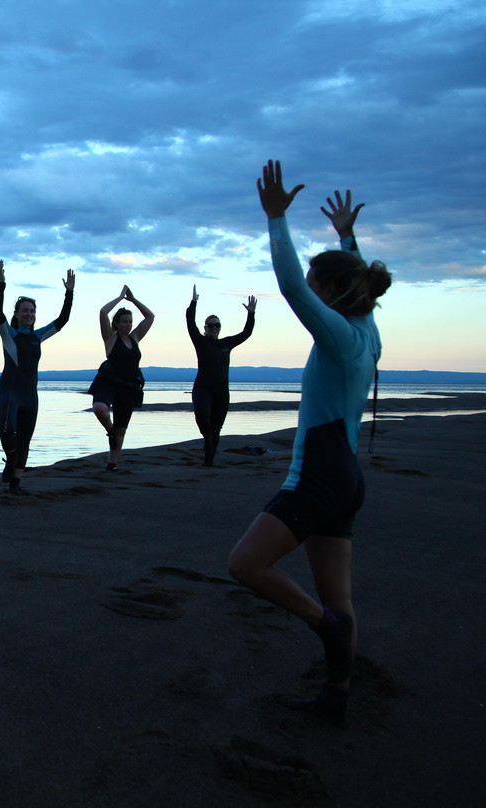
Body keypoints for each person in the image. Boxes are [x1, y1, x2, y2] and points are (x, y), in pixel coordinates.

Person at [228, 161, 391, 726]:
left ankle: (324, 626)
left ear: (331, 294)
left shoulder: (341, 335)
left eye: (322, 288)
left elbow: (292, 284)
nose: (313, 297)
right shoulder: (367, 333)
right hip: (346, 479)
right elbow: (353, 283)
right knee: (338, 592)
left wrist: (277, 220)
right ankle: (336, 695)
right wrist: (347, 237)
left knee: (245, 564)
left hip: (318, 480)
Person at [0, 261, 75, 493]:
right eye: (24, 311)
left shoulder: (38, 336)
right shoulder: (9, 334)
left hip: (30, 395)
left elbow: (62, 321)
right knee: (7, 431)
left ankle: (15, 485)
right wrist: (1, 284)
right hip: (9, 392)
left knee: (25, 440)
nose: (29, 314)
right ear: (17, 315)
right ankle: (10, 460)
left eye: (32, 311)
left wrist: (69, 293)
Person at [187, 286, 256, 466]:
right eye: (211, 325)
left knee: (216, 428)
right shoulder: (201, 342)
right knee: (203, 416)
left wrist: (251, 314)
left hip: (221, 391)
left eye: (217, 325)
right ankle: (207, 441)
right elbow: (190, 323)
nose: (214, 328)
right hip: (203, 389)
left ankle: (209, 460)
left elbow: (246, 333)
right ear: (206, 328)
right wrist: (193, 303)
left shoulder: (227, 343)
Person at [88, 286, 155, 471]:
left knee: (122, 429)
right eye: (125, 321)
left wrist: (133, 300)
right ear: (116, 323)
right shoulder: (110, 338)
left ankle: (112, 464)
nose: (129, 324)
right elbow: (103, 312)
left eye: (130, 321)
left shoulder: (135, 338)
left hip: (129, 386)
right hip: (108, 382)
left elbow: (150, 317)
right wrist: (119, 298)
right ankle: (110, 432)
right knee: (100, 409)